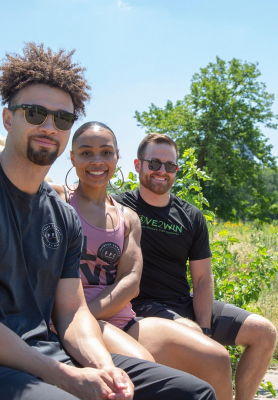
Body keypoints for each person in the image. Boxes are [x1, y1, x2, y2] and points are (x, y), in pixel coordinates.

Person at [0, 43, 215, 400]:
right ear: (8, 118)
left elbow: (71, 311)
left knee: (191, 392)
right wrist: (65, 376)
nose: (49, 126)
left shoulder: (62, 216)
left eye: (62, 118)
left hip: (48, 350)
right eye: (35, 113)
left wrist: (103, 366)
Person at [49, 121, 233, 400]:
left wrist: (88, 313)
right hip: (74, 318)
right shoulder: (57, 198)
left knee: (218, 358)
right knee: (148, 367)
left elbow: (130, 282)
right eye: (86, 153)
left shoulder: (127, 217)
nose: (97, 161)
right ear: (72, 158)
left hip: (119, 317)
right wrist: (77, 317)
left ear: (117, 157)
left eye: (106, 153)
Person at [113, 133, 278, 400]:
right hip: (141, 307)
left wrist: (205, 330)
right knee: (200, 343)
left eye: (170, 166)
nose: (162, 171)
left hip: (183, 303)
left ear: (176, 170)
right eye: (154, 163)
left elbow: (202, 279)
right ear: (137, 165)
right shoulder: (119, 208)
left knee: (264, 333)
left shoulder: (191, 216)